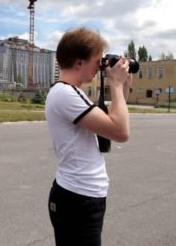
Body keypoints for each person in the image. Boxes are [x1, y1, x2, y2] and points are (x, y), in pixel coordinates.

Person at [45, 27, 132, 246]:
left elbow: (112, 122)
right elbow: (120, 132)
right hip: (78, 199)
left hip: (79, 196)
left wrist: (121, 88)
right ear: (79, 62)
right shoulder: (65, 94)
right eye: (97, 61)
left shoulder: (69, 92)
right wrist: (116, 84)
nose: (99, 67)